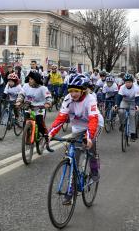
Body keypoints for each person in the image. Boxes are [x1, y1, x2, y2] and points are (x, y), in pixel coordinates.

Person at [48, 74, 103, 204]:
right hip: (78, 128)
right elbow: (61, 118)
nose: (73, 94)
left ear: (83, 90)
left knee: (90, 146)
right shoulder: (68, 99)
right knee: (74, 156)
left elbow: (93, 120)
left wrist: (89, 138)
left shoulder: (90, 99)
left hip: (94, 125)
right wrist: (50, 134)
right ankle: (71, 190)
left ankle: (94, 170)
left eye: (76, 91)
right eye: (70, 90)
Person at [15, 71, 53, 152]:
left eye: (31, 79)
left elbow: (49, 97)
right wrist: (19, 101)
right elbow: (21, 94)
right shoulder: (25, 86)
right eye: (29, 78)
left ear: (36, 80)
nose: (29, 80)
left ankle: (46, 138)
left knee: (40, 124)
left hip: (39, 108)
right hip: (28, 107)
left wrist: (48, 103)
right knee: (26, 122)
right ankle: (28, 135)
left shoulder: (43, 88)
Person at [114, 73, 139, 141]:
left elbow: (137, 99)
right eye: (126, 82)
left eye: (129, 82)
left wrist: (137, 106)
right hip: (124, 101)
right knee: (121, 111)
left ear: (132, 82)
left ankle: (132, 134)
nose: (128, 83)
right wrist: (116, 105)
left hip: (133, 102)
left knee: (132, 115)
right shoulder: (122, 87)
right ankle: (122, 124)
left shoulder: (136, 88)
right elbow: (119, 97)